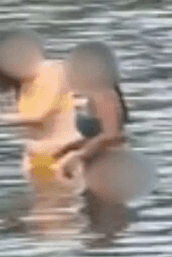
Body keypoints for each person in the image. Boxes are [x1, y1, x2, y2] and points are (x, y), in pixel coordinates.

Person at [0, 30, 84, 199]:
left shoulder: (53, 71)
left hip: (63, 155)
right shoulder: (23, 81)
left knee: (59, 208)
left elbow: (39, 114)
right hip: (35, 159)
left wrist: (1, 117)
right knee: (43, 208)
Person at [55, 42, 130, 196]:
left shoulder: (103, 94)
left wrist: (77, 157)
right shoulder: (93, 94)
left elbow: (112, 135)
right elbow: (97, 134)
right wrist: (69, 149)